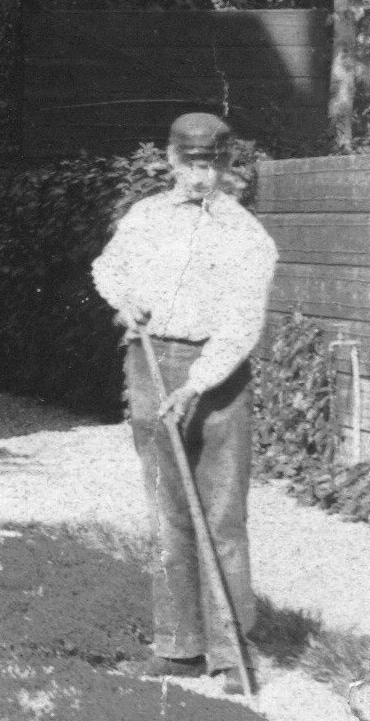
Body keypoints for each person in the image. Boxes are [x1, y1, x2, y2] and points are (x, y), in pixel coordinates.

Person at [89, 110, 277, 678]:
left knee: (221, 515)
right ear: (172, 160)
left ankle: (231, 653)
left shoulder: (245, 234)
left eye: (212, 165)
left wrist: (196, 385)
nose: (201, 176)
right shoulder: (145, 217)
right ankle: (178, 646)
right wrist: (123, 301)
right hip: (150, 363)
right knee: (168, 511)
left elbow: (242, 325)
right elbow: (108, 267)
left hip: (217, 376)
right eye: (192, 164)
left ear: (227, 165)